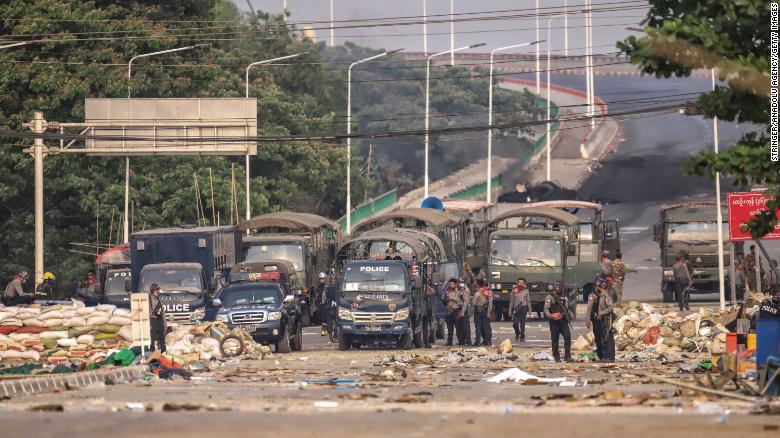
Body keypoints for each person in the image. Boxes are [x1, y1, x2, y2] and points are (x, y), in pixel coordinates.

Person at [544, 280, 574, 362]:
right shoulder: (550, 297)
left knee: (568, 338)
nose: (559, 289)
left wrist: (570, 313)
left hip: (563, 321)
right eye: (557, 288)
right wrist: (551, 315)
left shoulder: (565, 297)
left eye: (560, 288)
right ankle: (556, 356)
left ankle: (567, 356)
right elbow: (546, 309)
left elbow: (566, 308)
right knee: (555, 340)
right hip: (554, 322)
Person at [594, 277, 616, 362]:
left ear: (600, 286)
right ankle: (605, 356)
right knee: (604, 338)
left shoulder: (606, 296)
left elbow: (610, 308)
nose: (596, 287)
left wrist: (601, 313)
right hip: (602, 320)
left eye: (597, 286)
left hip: (607, 320)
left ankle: (610, 357)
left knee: (609, 338)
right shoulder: (601, 296)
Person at [444, 278, 466, 346]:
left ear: (455, 284)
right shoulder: (447, 292)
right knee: (450, 329)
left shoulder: (460, 292)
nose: (451, 285)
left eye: (452, 284)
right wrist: (445, 299)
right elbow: (444, 301)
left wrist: (453, 298)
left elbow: (462, 302)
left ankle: (460, 341)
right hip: (449, 311)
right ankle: (449, 342)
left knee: (458, 328)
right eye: (450, 284)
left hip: (456, 311)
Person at [472, 279, 493, 346]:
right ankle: (487, 341)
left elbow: (473, 303)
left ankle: (477, 342)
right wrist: (489, 312)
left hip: (478, 311)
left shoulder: (477, 293)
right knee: (486, 327)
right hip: (485, 311)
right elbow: (490, 303)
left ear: (478, 284)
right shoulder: (488, 293)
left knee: (478, 327)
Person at [508, 278, 530, 342]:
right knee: (515, 323)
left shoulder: (526, 291)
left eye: (522, 283)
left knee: (522, 323)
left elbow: (528, 301)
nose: (520, 284)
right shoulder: (514, 291)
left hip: (524, 308)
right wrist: (509, 310)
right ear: (517, 283)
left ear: (524, 284)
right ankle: (517, 333)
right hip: (516, 308)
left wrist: (530, 310)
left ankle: (522, 336)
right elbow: (511, 301)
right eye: (519, 282)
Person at [585, 284, 604, 360]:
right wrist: (588, 320)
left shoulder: (603, 294)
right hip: (596, 319)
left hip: (603, 318)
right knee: (598, 337)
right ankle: (600, 354)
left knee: (604, 336)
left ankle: (603, 353)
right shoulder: (593, 295)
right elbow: (589, 308)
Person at [149, 283, 167, 352]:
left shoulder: (159, 299)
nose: (157, 291)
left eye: (158, 290)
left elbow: (162, 311)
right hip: (152, 320)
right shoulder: (148, 300)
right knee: (152, 337)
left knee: (162, 337)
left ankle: (163, 351)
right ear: (152, 290)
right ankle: (152, 352)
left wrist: (165, 322)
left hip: (160, 320)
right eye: (155, 290)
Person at [423, 279, 437, 348]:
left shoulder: (430, 290)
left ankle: (427, 343)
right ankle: (426, 343)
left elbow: (433, 292)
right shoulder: (420, 291)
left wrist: (426, 286)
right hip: (423, 312)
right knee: (425, 328)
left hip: (429, 312)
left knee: (428, 328)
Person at [459, 277, 473, 346]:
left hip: (465, 309)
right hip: (462, 309)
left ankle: (468, 341)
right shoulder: (462, 289)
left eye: (461, 282)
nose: (460, 283)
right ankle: (462, 341)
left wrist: (462, 312)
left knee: (466, 326)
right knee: (462, 326)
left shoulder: (465, 290)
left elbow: (465, 302)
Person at [316, 272, 329, 336]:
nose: (321, 280)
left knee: (325, 317)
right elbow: (317, 295)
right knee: (321, 317)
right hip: (319, 304)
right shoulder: (318, 287)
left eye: (322, 278)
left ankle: (323, 330)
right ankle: (325, 329)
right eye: (320, 279)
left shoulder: (327, 287)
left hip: (326, 304)